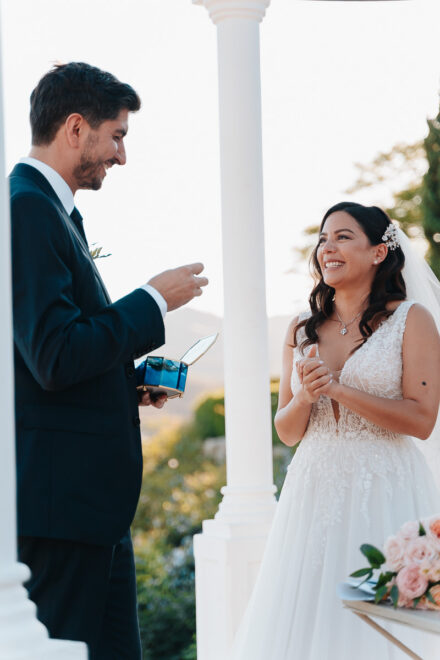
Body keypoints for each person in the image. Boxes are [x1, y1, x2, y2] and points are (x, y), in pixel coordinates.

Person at [11, 62, 208, 659]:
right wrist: (152, 300)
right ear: (76, 128)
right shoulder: (26, 210)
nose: (121, 156)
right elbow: (54, 354)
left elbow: (58, 350)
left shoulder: (53, 211)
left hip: (86, 509)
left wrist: (126, 384)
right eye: (117, 135)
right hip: (59, 508)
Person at [231, 202, 440, 659]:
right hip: (313, 491)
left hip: (387, 488)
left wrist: (340, 390)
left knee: (388, 631)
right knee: (312, 621)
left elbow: (422, 420)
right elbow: (287, 432)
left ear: (379, 252)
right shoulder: (301, 329)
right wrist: (306, 397)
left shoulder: (412, 319)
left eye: (343, 237)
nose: (328, 248)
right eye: (323, 239)